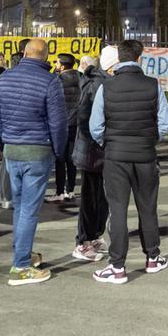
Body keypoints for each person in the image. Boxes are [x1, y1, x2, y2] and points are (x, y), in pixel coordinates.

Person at [90, 40, 168, 284]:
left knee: (117, 210)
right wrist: (149, 140)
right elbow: (165, 123)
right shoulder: (152, 85)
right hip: (145, 156)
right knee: (147, 207)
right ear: (139, 58)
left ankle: (117, 267)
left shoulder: (107, 87)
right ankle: (152, 258)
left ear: (118, 60)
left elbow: (95, 127)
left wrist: (109, 142)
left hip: (116, 157)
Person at [0, 37, 67, 286]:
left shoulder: (4, 78)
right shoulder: (50, 81)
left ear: (24, 53)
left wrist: (7, 138)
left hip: (13, 150)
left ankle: (22, 253)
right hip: (37, 151)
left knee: (21, 206)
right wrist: (58, 150)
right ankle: (21, 266)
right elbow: (58, 123)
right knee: (29, 211)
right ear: (45, 56)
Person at [72, 53, 108, 263]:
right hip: (92, 151)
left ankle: (93, 236)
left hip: (96, 150)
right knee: (90, 198)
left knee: (100, 199)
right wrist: (99, 139)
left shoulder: (97, 83)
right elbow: (85, 119)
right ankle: (83, 242)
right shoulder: (95, 85)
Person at [53, 54, 81, 201]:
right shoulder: (80, 78)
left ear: (62, 66)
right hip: (76, 123)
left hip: (62, 123)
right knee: (71, 158)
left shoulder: (58, 81)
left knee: (60, 158)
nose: (55, 65)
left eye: (57, 62)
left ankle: (59, 191)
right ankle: (70, 189)